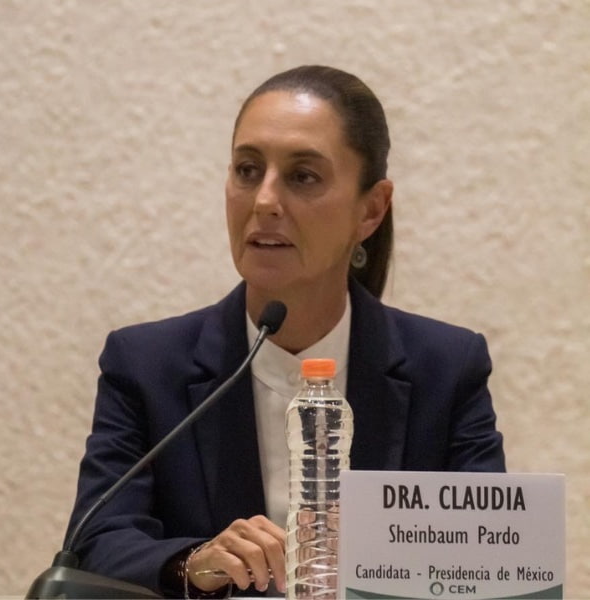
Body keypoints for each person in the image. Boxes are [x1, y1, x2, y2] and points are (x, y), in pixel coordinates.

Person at [66, 65, 505, 598]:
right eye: (248, 170)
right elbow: (95, 543)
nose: (264, 201)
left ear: (371, 209)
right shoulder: (145, 365)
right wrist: (194, 564)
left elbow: (485, 556)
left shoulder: (448, 368)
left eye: (302, 177)